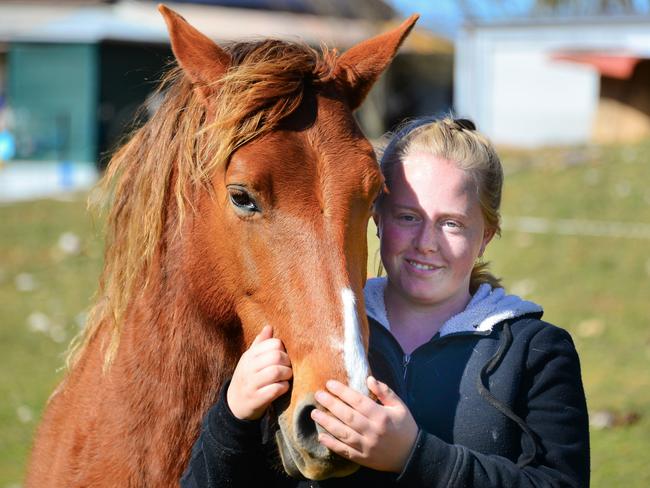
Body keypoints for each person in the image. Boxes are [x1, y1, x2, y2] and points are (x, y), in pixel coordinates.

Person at [181, 116, 590, 487]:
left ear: (486, 235)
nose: (426, 244)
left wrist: (415, 455)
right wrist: (232, 417)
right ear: (375, 218)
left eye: (452, 223)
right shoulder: (307, 333)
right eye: (407, 217)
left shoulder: (535, 351)